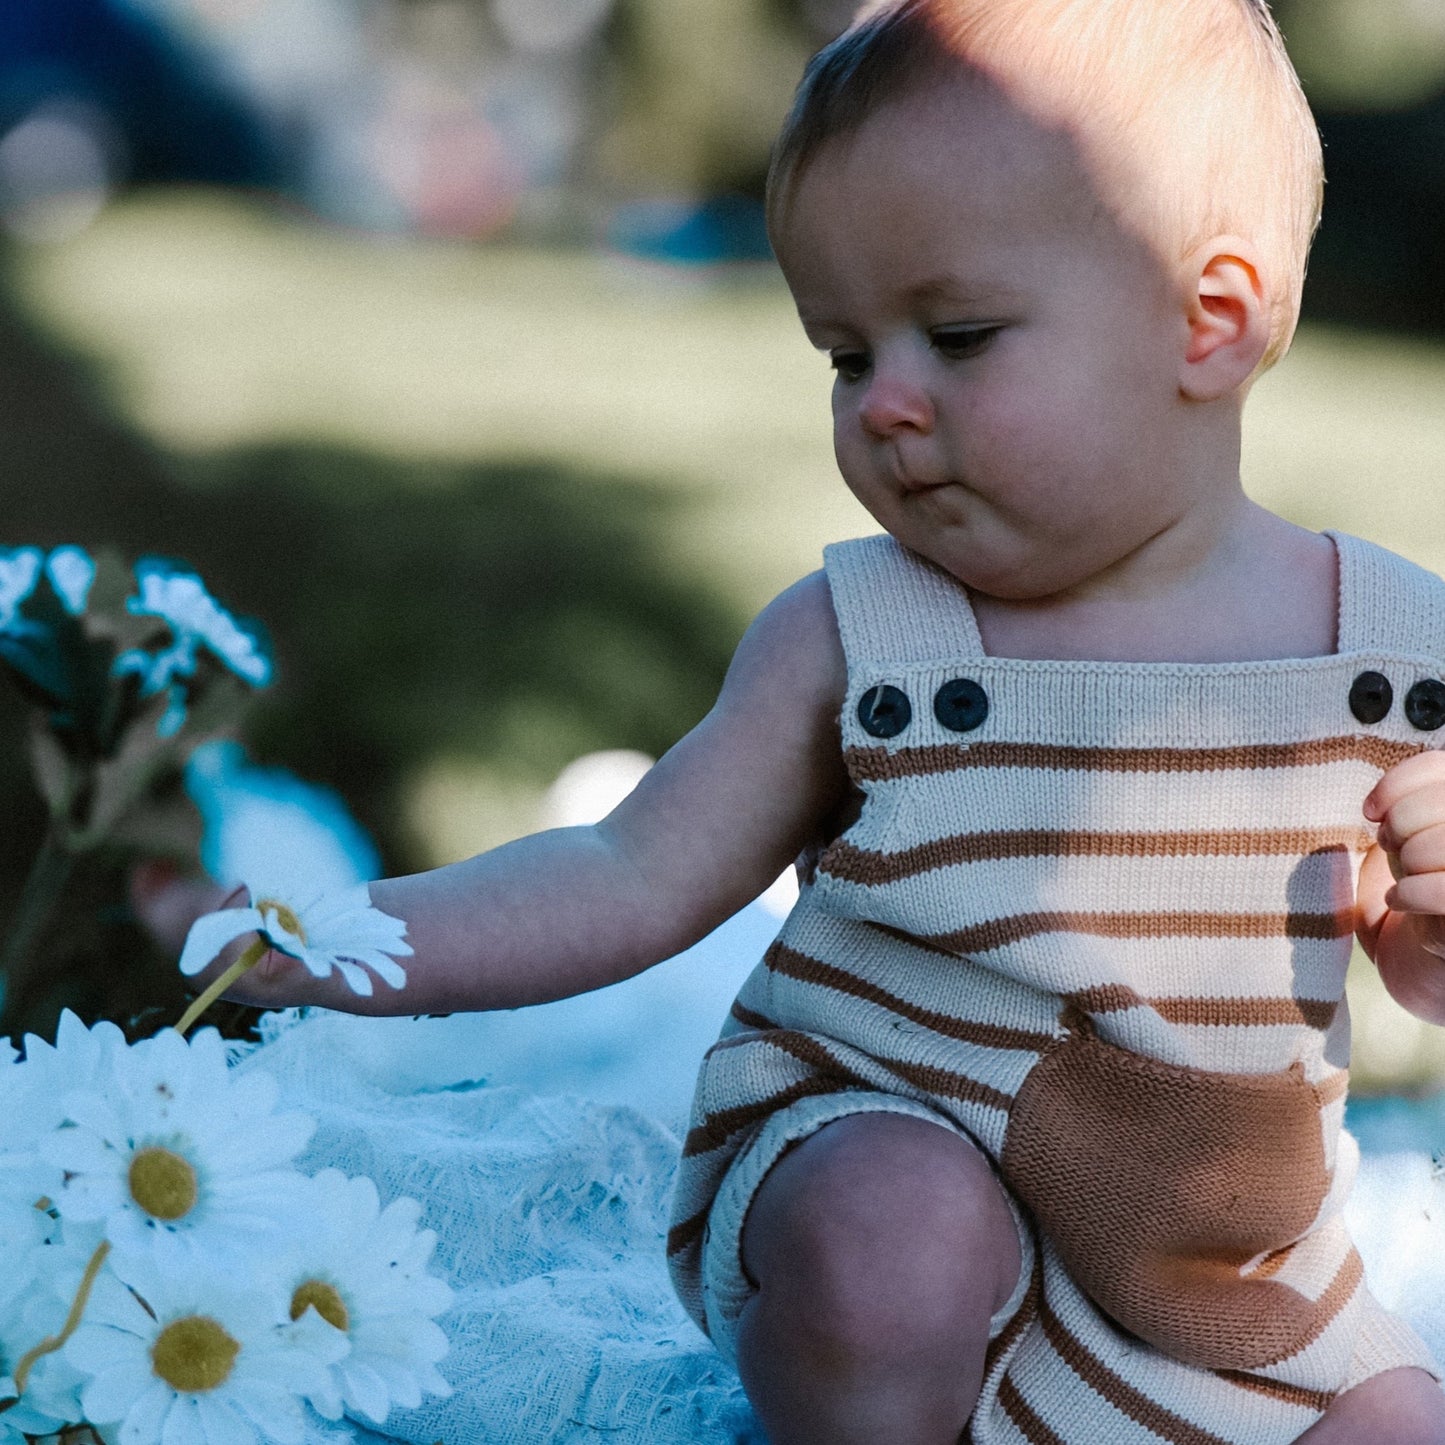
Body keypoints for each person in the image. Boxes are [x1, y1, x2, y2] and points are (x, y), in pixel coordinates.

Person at [173, 1, 1445, 1439]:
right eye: (844, 355)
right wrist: (351, 940)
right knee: (896, 1232)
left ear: (1206, 320)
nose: (885, 405)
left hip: (1205, 1270)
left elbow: (1415, 969)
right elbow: (628, 871)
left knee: (1402, 1419)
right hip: (883, 1149)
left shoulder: (1391, 654)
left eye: (955, 335)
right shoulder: (869, 637)